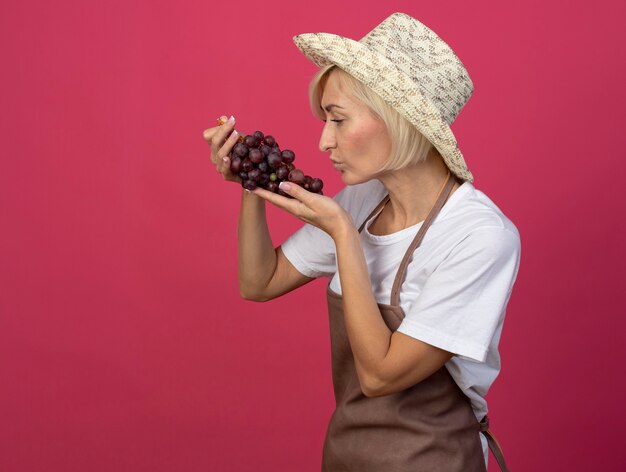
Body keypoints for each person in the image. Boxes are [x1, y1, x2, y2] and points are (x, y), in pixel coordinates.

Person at [204, 12, 520, 472]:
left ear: (399, 121)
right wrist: (253, 183)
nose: (323, 141)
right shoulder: (363, 200)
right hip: (347, 457)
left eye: (338, 119)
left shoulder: (479, 236)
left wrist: (344, 238)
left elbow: (379, 375)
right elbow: (259, 281)